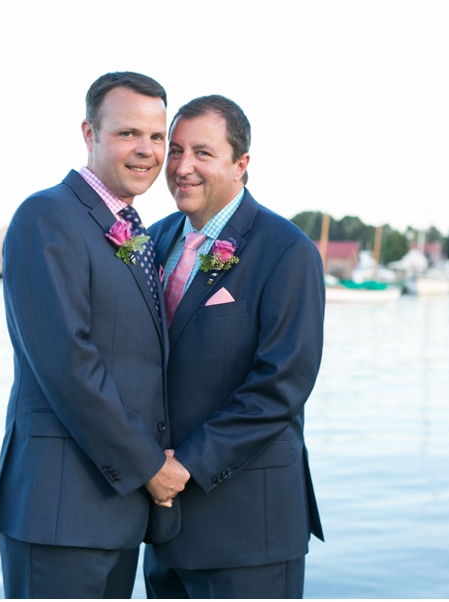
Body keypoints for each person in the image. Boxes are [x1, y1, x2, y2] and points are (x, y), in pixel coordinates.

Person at [0, 71, 190, 599]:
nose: (146, 150)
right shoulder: (46, 217)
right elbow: (68, 364)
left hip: (116, 513)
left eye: (157, 137)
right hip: (61, 511)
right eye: (127, 134)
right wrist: (150, 467)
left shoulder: (133, 227)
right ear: (89, 133)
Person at [144, 95, 325, 598]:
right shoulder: (151, 241)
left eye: (202, 152)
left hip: (249, 531)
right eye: (175, 150)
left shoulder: (287, 251)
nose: (182, 167)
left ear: (241, 164)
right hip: (161, 528)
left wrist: (185, 465)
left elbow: (280, 386)